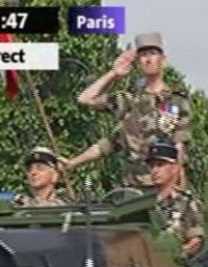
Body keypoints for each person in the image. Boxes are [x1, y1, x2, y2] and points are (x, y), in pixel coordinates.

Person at [64, 32, 191, 190]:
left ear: (163, 60)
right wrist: (114, 74)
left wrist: (177, 187)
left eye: (153, 53)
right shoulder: (128, 100)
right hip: (133, 189)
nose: (148, 59)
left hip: (163, 187)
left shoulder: (175, 101)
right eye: (143, 55)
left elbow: (179, 146)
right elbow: (85, 99)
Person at [147, 142, 204, 258]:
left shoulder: (186, 202)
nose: (155, 170)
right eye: (152, 166)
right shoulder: (140, 200)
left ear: (174, 168)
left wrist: (175, 255)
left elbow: (195, 241)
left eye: (160, 165)